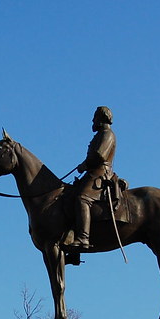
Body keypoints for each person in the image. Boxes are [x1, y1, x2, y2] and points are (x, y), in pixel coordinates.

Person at [68, 106, 117, 250]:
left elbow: (99, 155)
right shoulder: (100, 134)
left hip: (100, 174)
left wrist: (84, 165)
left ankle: (83, 238)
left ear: (101, 119)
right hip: (93, 172)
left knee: (82, 198)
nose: (92, 121)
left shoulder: (107, 134)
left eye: (95, 117)